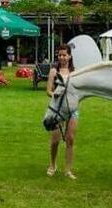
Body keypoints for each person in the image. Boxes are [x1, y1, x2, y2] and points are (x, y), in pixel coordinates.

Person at [46, 44, 78, 179]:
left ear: (70, 56)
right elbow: (48, 90)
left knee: (70, 139)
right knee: (55, 140)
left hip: (72, 110)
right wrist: (55, 94)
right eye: (60, 55)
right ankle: (52, 165)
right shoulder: (54, 72)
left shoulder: (75, 73)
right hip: (57, 109)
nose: (62, 57)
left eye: (64, 55)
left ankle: (68, 170)